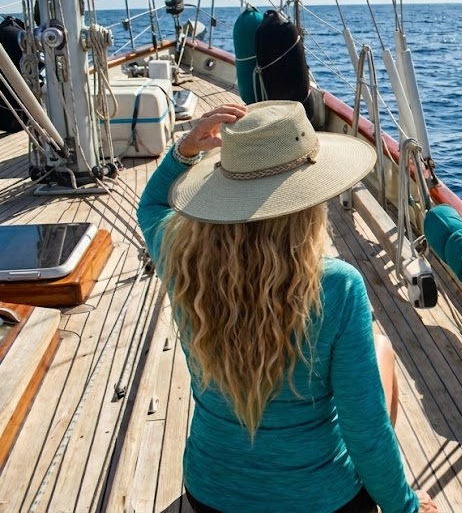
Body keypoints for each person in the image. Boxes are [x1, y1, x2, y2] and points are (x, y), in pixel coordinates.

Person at [137, 100, 438, 513]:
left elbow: (152, 206)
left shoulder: (182, 263)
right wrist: (406, 508)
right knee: (380, 348)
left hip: (211, 497)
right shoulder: (337, 287)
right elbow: (364, 431)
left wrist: (183, 152)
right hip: (323, 503)